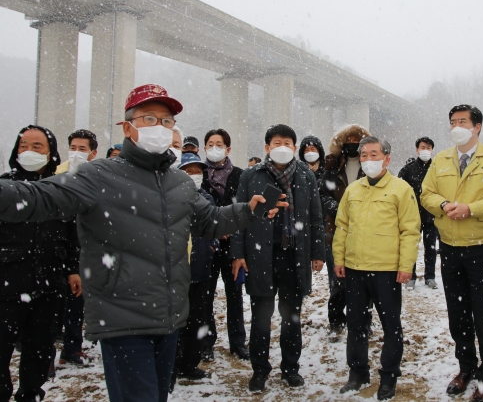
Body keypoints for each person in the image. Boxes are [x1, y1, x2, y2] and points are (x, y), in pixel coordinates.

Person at [0, 84, 284, 402]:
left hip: (170, 316)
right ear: (128, 127)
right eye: (150, 118)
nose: (160, 127)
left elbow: (209, 221)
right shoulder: (98, 176)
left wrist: (249, 211)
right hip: (123, 318)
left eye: (166, 121)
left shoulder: (178, 181)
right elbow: (36, 196)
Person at [420, 104, 483, 401]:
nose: (456, 126)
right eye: (452, 122)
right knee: (458, 313)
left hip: (482, 248)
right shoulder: (442, 159)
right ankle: (466, 367)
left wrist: (471, 208)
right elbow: (426, 193)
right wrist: (445, 205)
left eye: (463, 121)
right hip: (450, 247)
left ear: (477, 127)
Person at [230, 124, 325, 392]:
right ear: (266, 147)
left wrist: (317, 253)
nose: (281, 146)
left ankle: (290, 369)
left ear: (294, 148)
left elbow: (315, 218)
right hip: (261, 255)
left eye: (287, 142)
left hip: (293, 255)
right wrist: (238, 252)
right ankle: (259, 370)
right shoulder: (251, 176)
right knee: (261, 316)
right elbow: (239, 216)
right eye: (276, 142)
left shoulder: (306, 176)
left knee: (291, 316)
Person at [333, 137, 420, 401]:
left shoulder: (401, 189)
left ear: (387, 158)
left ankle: (389, 376)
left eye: (374, 154)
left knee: (391, 326)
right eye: (364, 155)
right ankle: (357, 373)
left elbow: (410, 230)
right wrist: (339, 259)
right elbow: (342, 227)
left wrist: (406, 266)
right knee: (357, 324)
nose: (369, 159)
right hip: (356, 269)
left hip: (386, 271)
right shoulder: (353, 190)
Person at [0, 125, 79, 402]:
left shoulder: (62, 189)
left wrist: (72, 269)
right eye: (24, 146)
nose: (29, 152)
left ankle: (31, 394)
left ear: (50, 153)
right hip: (7, 283)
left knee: (40, 348)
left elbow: (73, 235)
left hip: (50, 283)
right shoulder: (5, 186)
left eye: (37, 147)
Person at [200, 128, 248, 361]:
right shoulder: (197, 175)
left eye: (219, 144)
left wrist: (230, 230)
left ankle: (238, 342)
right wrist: (215, 230)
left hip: (233, 247)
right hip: (207, 245)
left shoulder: (239, 175)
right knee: (205, 296)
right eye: (210, 144)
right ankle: (206, 342)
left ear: (228, 149)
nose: (214, 148)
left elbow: (243, 209)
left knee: (234, 295)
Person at [319, 124, 370, 342]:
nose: (352, 143)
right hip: (336, 231)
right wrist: (340, 210)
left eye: (356, 139)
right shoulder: (331, 167)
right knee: (338, 280)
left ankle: (363, 321)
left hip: (365, 230)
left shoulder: (370, 166)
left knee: (365, 280)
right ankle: (336, 321)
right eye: (348, 139)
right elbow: (323, 195)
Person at [170, 153, 217, 387]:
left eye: (197, 171)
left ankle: (190, 363)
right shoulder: (170, 198)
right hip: (177, 274)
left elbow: (215, 225)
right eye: (188, 172)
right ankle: (172, 364)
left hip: (201, 272)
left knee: (198, 320)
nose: (193, 176)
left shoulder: (206, 198)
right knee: (175, 322)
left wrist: (213, 244)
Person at [55, 130, 98, 368]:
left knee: (75, 306)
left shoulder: (95, 181)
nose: (76, 153)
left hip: (82, 252)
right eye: (73, 147)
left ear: (93, 153)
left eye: (82, 149)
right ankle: (46, 356)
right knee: (52, 309)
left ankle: (72, 349)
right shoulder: (56, 177)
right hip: (54, 251)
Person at [398, 136, 438, 290]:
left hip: (431, 215)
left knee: (431, 248)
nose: (425, 151)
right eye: (423, 147)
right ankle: (410, 276)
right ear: (417, 149)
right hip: (412, 216)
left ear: (432, 150)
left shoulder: (437, 169)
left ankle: (430, 277)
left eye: (428, 148)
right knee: (411, 246)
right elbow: (399, 189)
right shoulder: (408, 169)